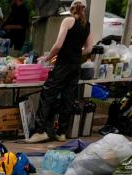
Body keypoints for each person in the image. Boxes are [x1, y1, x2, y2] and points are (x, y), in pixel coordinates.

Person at [24, 0, 92, 143]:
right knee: (68, 98)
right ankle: (62, 133)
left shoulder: (68, 20)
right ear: (84, 9)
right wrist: (76, 54)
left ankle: (40, 131)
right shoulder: (87, 25)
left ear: (72, 8)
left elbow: (58, 45)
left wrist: (48, 58)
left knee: (48, 94)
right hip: (75, 66)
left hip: (62, 65)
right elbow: (89, 49)